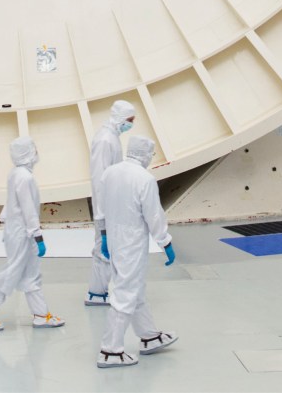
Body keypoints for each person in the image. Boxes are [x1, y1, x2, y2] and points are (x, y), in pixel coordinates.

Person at [93, 136, 176, 367]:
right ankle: (110, 351)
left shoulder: (110, 172)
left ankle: (149, 336)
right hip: (132, 242)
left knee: (133, 289)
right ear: (145, 153)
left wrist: (105, 236)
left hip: (115, 238)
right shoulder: (145, 178)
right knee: (126, 293)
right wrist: (165, 242)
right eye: (151, 153)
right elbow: (154, 215)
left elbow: (100, 207)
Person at [0, 137, 64, 332]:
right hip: (23, 233)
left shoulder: (16, 173)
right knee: (11, 273)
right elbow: (28, 208)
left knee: (31, 275)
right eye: (34, 149)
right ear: (28, 153)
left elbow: (11, 202)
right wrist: (37, 235)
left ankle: (41, 315)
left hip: (18, 230)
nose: (37, 152)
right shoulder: (25, 177)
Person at [86, 100, 136, 306]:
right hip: (105, 208)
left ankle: (101, 291)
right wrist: (102, 217)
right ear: (120, 118)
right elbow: (99, 179)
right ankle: (96, 294)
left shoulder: (112, 137)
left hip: (111, 206)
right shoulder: (105, 140)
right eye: (130, 120)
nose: (131, 124)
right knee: (103, 249)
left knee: (111, 250)